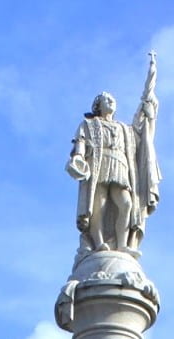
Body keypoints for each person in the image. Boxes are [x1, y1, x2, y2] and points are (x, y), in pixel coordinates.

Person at [67, 54, 161, 256]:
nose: (111, 101)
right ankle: (99, 241)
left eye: (112, 99)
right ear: (97, 106)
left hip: (121, 167)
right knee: (98, 204)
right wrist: (79, 157)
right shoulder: (89, 124)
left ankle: (122, 243)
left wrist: (148, 113)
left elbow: (141, 134)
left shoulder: (124, 128)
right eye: (106, 99)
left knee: (126, 204)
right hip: (99, 165)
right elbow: (81, 143)